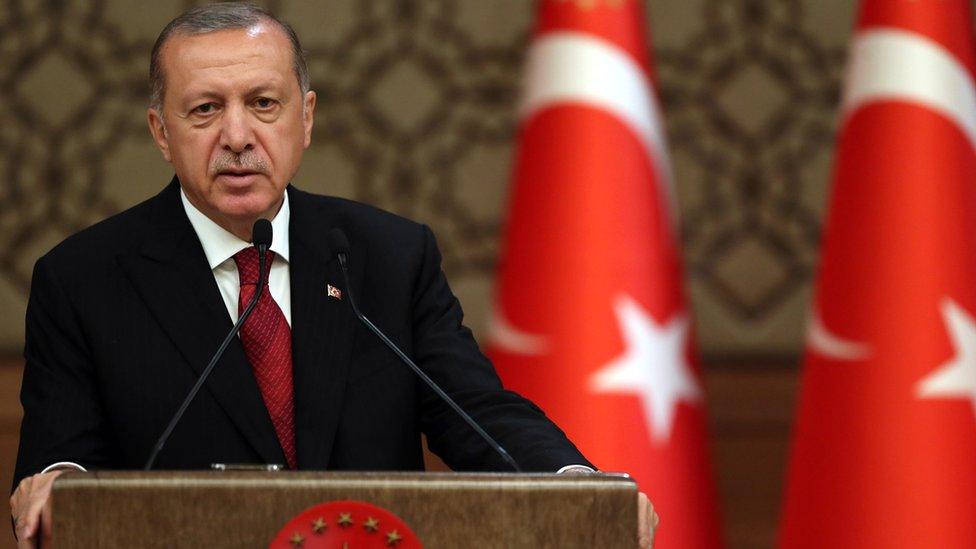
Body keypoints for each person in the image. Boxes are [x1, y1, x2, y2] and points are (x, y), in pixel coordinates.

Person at [8, 3, 658, 548]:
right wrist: (59, 484)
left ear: (307, 118)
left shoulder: (389, 257)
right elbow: (59, 461)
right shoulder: (84, 281)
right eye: (205, 110)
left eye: (263, 103)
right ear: (160, 132)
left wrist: (581, 483)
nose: (237, 135)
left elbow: (477, 414)